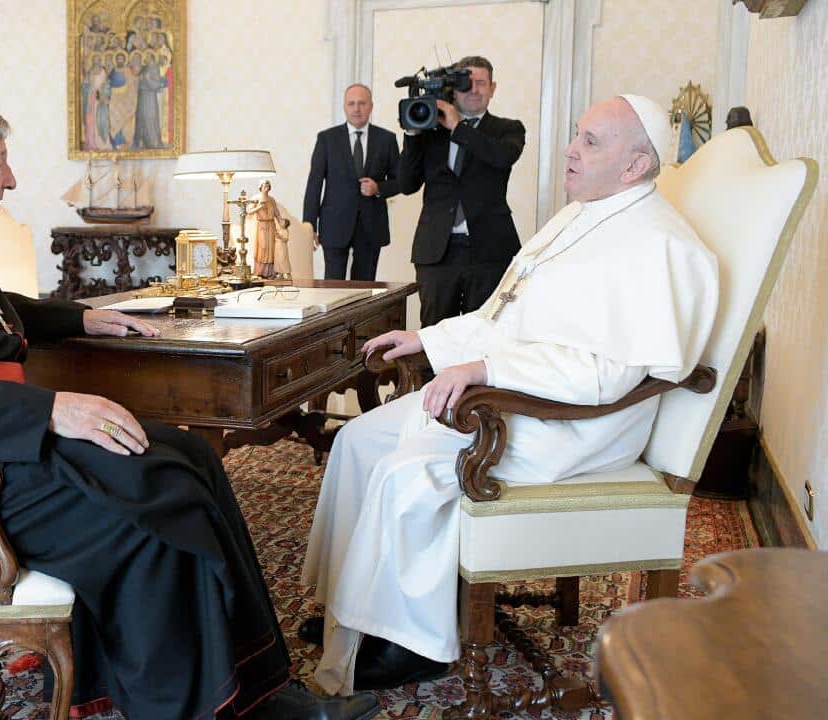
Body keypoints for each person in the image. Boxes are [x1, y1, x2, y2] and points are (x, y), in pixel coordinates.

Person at [0, 95, 380, 720]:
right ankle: (201, 707)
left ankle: (261, 684)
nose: (12, 179)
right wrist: (51, 411)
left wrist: (82, 316)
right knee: (154, 504)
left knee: (191, 455)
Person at [298, 94, 720, 695]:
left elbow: (609, 375)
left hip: (577, 423)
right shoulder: (579, 215)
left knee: (405, 473)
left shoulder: (660, 245)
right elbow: (506, 316)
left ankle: (406, 643)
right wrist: (428, 338)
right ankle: (352, 610)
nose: (570, 150)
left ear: (635, 166)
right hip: (523, 390)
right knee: (358, 440)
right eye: (576, 134)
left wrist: (484, 369)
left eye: (590, 142)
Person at [400, 56, 526, 328]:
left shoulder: (508, 129)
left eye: (481, 83)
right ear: (452, 89)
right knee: (433, 335)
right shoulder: (430, 132)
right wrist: (411, 135)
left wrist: (458, 126)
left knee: (482, 334)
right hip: (437, 252)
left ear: (493, 88)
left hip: (489, 252)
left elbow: (502, 157)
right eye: (466, 83)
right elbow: (407, 184)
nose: (474, 89)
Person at [302, 84, 403, 281]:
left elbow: (401, 181)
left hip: (371, 225)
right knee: (332, 287)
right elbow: (314, 184)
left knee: (364, 288)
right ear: (345, 107)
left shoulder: (387, 139)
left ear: (371, 106)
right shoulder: (327, 139)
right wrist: (309, 226)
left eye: (362, 103)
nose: (357, 108)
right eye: (351, 103)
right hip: (334, 224)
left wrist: (378, 188)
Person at [246, 180, 290, 279]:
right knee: (263, 246)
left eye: (268, 185)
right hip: (262, 225)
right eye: (265, 185)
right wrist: (259, 207)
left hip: (271, 225)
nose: (267, 187)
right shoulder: (256, 198)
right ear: (260, 187)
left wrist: (282, 224)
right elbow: (249, 211)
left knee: (271, 248)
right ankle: (260, 271)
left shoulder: (271, 199)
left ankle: (271, 272)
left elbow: (277, 213)